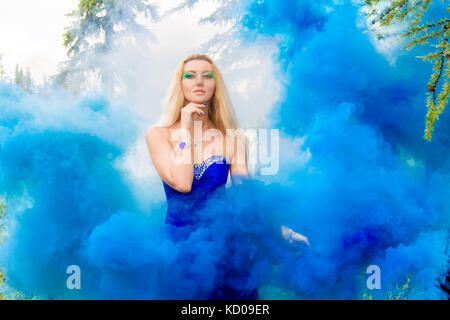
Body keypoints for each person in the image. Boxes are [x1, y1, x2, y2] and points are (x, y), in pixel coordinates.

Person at [145, 53, 308, 299]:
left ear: (215, 85)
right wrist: (187, 130)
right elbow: (182, 182)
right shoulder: (159, 134)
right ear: (181, 85)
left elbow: (248, 197)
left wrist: (281, 229)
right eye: (190, 76)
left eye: (207, 76)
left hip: (225, 245)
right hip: (179, 248)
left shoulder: (232, 140)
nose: (199, 82)